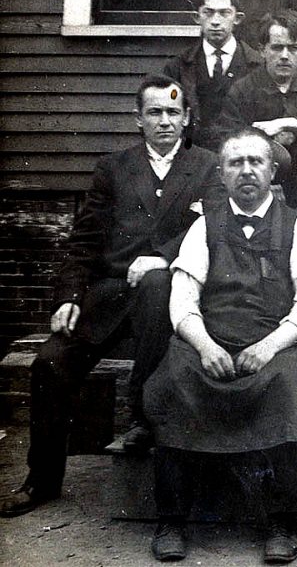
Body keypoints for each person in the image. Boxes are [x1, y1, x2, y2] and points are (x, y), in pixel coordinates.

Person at [0, 77, 221, 518]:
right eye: (155, 113)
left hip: (170, 296)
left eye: (173, 113)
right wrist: (68, 297)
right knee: (51, 362)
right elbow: (83, 241)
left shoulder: (208, 167)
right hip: (107, 295)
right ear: (137, 119)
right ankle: (41, 479)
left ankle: (144, 417)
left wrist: (161, 258)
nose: (164, 121)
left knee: (159, 285)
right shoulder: (114, 168)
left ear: (187, 118)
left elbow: (212, 228)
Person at [143, 128, 297, 563]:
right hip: (210, 339)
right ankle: (172, 519)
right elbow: (183, 301)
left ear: (272, 170)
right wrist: (205, 346)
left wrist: (268, 347)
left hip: (272, 343)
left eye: (256, 162)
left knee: (286, 388)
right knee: (175, 377)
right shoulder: (204, 226)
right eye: (235, 163)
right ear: (222, 175)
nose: (246, 171)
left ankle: (281, 522)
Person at [217, 9, 297, 205]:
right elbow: (230, 134)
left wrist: (287, 124)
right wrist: (268, 139)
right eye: (276, 48)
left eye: (293, 48)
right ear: (262, 50)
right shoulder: (243, 88)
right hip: (261, 173)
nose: (284, 56)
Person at [162, 0, 260, 150]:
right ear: (197, 17)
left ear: (237, 18)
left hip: (244, 152)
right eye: (208, 13)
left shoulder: (258, 66)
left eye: (224, 13)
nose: (215, 21)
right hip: (193, 153)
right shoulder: (177, 67)